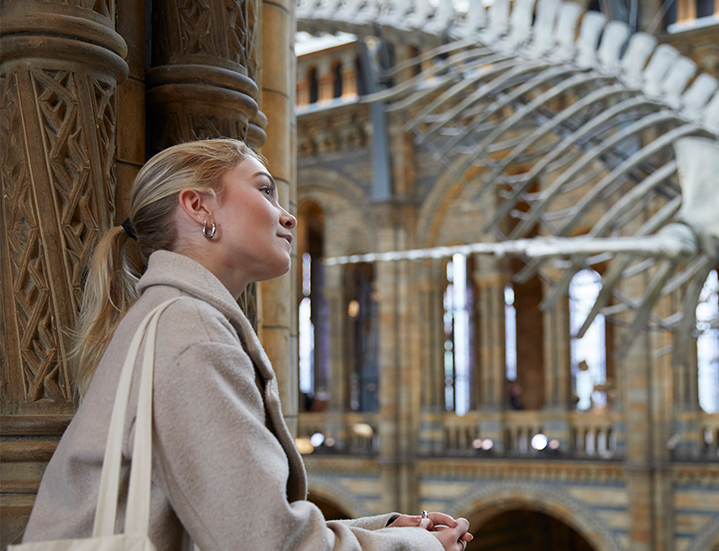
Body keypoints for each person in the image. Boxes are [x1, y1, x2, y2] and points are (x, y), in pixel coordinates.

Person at [23, 139, 473, 551]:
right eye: (265, 190)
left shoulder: (174, 315)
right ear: (198, 206)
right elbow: (266, 544)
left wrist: (387, 532)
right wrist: (420, 547)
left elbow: (239, 523)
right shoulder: (192, 331)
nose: (287, 214)